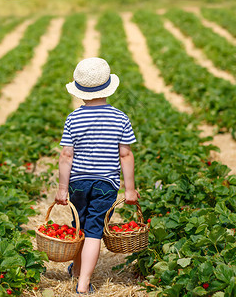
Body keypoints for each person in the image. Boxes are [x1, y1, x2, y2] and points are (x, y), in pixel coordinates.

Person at [55, 57, 139, 294]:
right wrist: (129, 189)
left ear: (80, 91)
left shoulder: (74, 118)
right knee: (93, 232)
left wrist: (62, 188)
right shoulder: (120, 117)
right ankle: (83, 284)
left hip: (78, 183)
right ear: (108, 87)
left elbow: (66, 155)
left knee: (78, 227)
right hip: (106, 183)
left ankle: (78, 270)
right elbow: (125, 155)